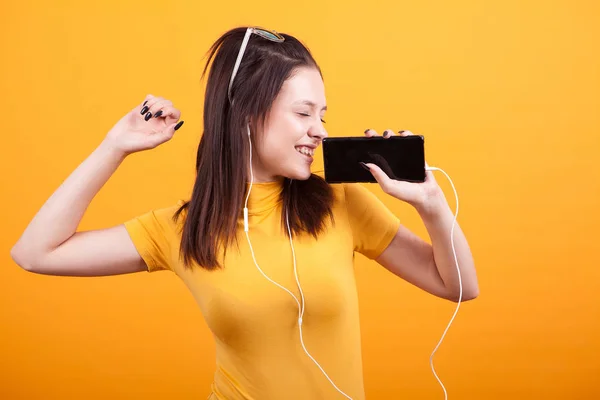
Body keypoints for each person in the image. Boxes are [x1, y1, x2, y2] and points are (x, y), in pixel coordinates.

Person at [11, 26, 479, 400]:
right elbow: (36, 253)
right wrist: (114, 148)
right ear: (245, 114)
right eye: (303, 113)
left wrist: (430, 204)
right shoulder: (181, 230)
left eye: (323, 114)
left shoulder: (340, 202)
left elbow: (459, 286)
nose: (319, 131)